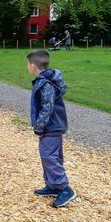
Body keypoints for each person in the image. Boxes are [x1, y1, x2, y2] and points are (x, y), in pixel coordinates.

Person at [27, 49, 78, 208]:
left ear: (33, 65)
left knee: (49, 156)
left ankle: (64, 189)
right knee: (49, 156)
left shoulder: (46, 84)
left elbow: (47, 107)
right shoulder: (44, 81)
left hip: (51, 126)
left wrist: (39, 127)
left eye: (28, 64)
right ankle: (53, 185)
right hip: (53, 126)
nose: (27, 67)